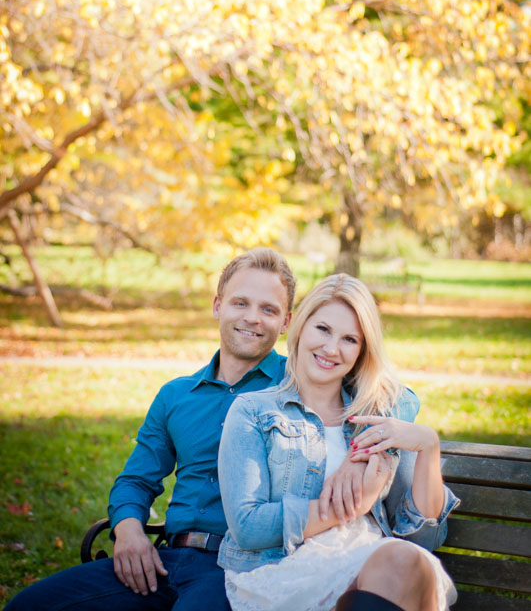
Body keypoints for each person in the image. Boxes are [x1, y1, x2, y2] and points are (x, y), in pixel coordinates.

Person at [5, 248, 296, 611]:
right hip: (162, 563)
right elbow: (135, 480)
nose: (252, 318)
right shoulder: (175, 395)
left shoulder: (298, 385)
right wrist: (127, 530)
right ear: (218, 306)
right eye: (240, 303)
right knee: (30, 606)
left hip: (239, 567)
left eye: (268, 309)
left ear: (286, 322)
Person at [217, 273, 460, 611]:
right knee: (399, 565)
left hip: (371, 566)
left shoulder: (378, 422)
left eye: (349, 339)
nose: (331, 349)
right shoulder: (253, 412)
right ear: (301, 327)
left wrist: (429, 445)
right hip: (283, 569)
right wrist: (352, 507)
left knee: (406, 561)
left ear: (362, 351)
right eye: (323, 330)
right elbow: (248, 527)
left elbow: (423, 539)